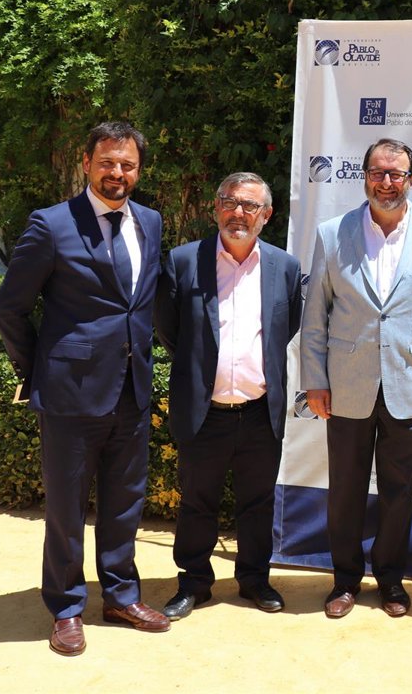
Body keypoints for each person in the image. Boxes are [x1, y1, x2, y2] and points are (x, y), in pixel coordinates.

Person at [0, 121, 169, 655]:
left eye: (128, 164)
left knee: (124, 503)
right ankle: (66, 606)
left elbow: (140, 304)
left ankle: (120, 596)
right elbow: (10, 307)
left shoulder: (151, 222)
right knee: (67, 509)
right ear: (87, 162)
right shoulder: (50, 225)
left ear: (139, 170)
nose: (118, 172)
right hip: (69, 395)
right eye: (108, 162)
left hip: (132, 390)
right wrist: (39, 370)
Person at [301, 137, 412, 619]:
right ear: (365, 177)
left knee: (399, 490)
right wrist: (314, 379)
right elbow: (316, 315)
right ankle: (345, 581)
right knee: (345, 490)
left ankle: (391, 580)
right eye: (377, 173)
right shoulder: (333, 233)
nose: (386, 182)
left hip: (411, 385)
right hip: (345, 384)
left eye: (396, 174)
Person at [155, 172, 302, 620]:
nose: (238, 213)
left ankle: (254, 580)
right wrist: (203, 369)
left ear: (266, 215)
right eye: (230, 202)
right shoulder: (184, 261)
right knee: (196, 502)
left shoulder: (284, 267)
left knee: (257, 503)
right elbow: (168, 329)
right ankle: (193, 583)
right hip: (206, 410)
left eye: (250, 205)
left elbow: (286, 327)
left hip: (259, 411)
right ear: (216, 207)